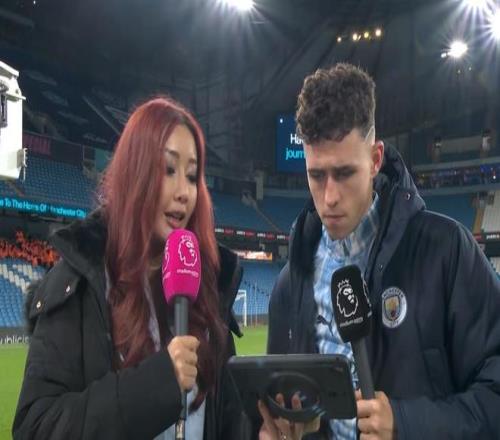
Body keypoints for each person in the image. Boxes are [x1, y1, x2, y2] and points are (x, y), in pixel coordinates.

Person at [266, 64, 500, 439]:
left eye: (344, 173)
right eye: (316, 175)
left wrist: (405, 424)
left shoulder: (447, 252)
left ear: (375, 160)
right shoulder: (291, 282)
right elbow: (285, 406)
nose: (329, 197)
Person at [13, 96, 253, 440]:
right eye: (168, 170)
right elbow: (36, 428)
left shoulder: (211, 289)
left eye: (191, 176)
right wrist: (156, 383)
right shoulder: (79, 284)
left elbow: (230, 423)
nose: (184, 192)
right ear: (135, 174)